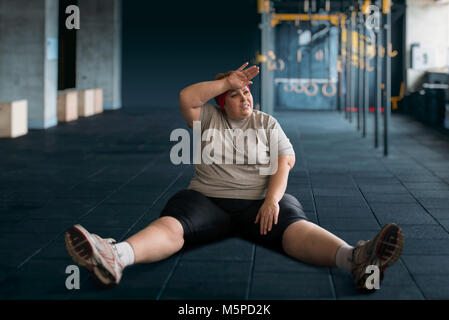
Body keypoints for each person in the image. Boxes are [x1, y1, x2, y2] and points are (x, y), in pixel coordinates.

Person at [65, 62, 404, 293]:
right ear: (221, 101)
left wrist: (271, 200)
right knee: (174, 224)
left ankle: (355, 259)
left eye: (246, 92)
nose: (245, 97)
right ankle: (116, 256)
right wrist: (228, 81)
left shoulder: (266, 123)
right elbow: (187, 96)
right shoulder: (207, 117)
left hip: (261, 203)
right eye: (236, 94)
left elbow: (284, 162)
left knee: (293, 223)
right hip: (206, 201)